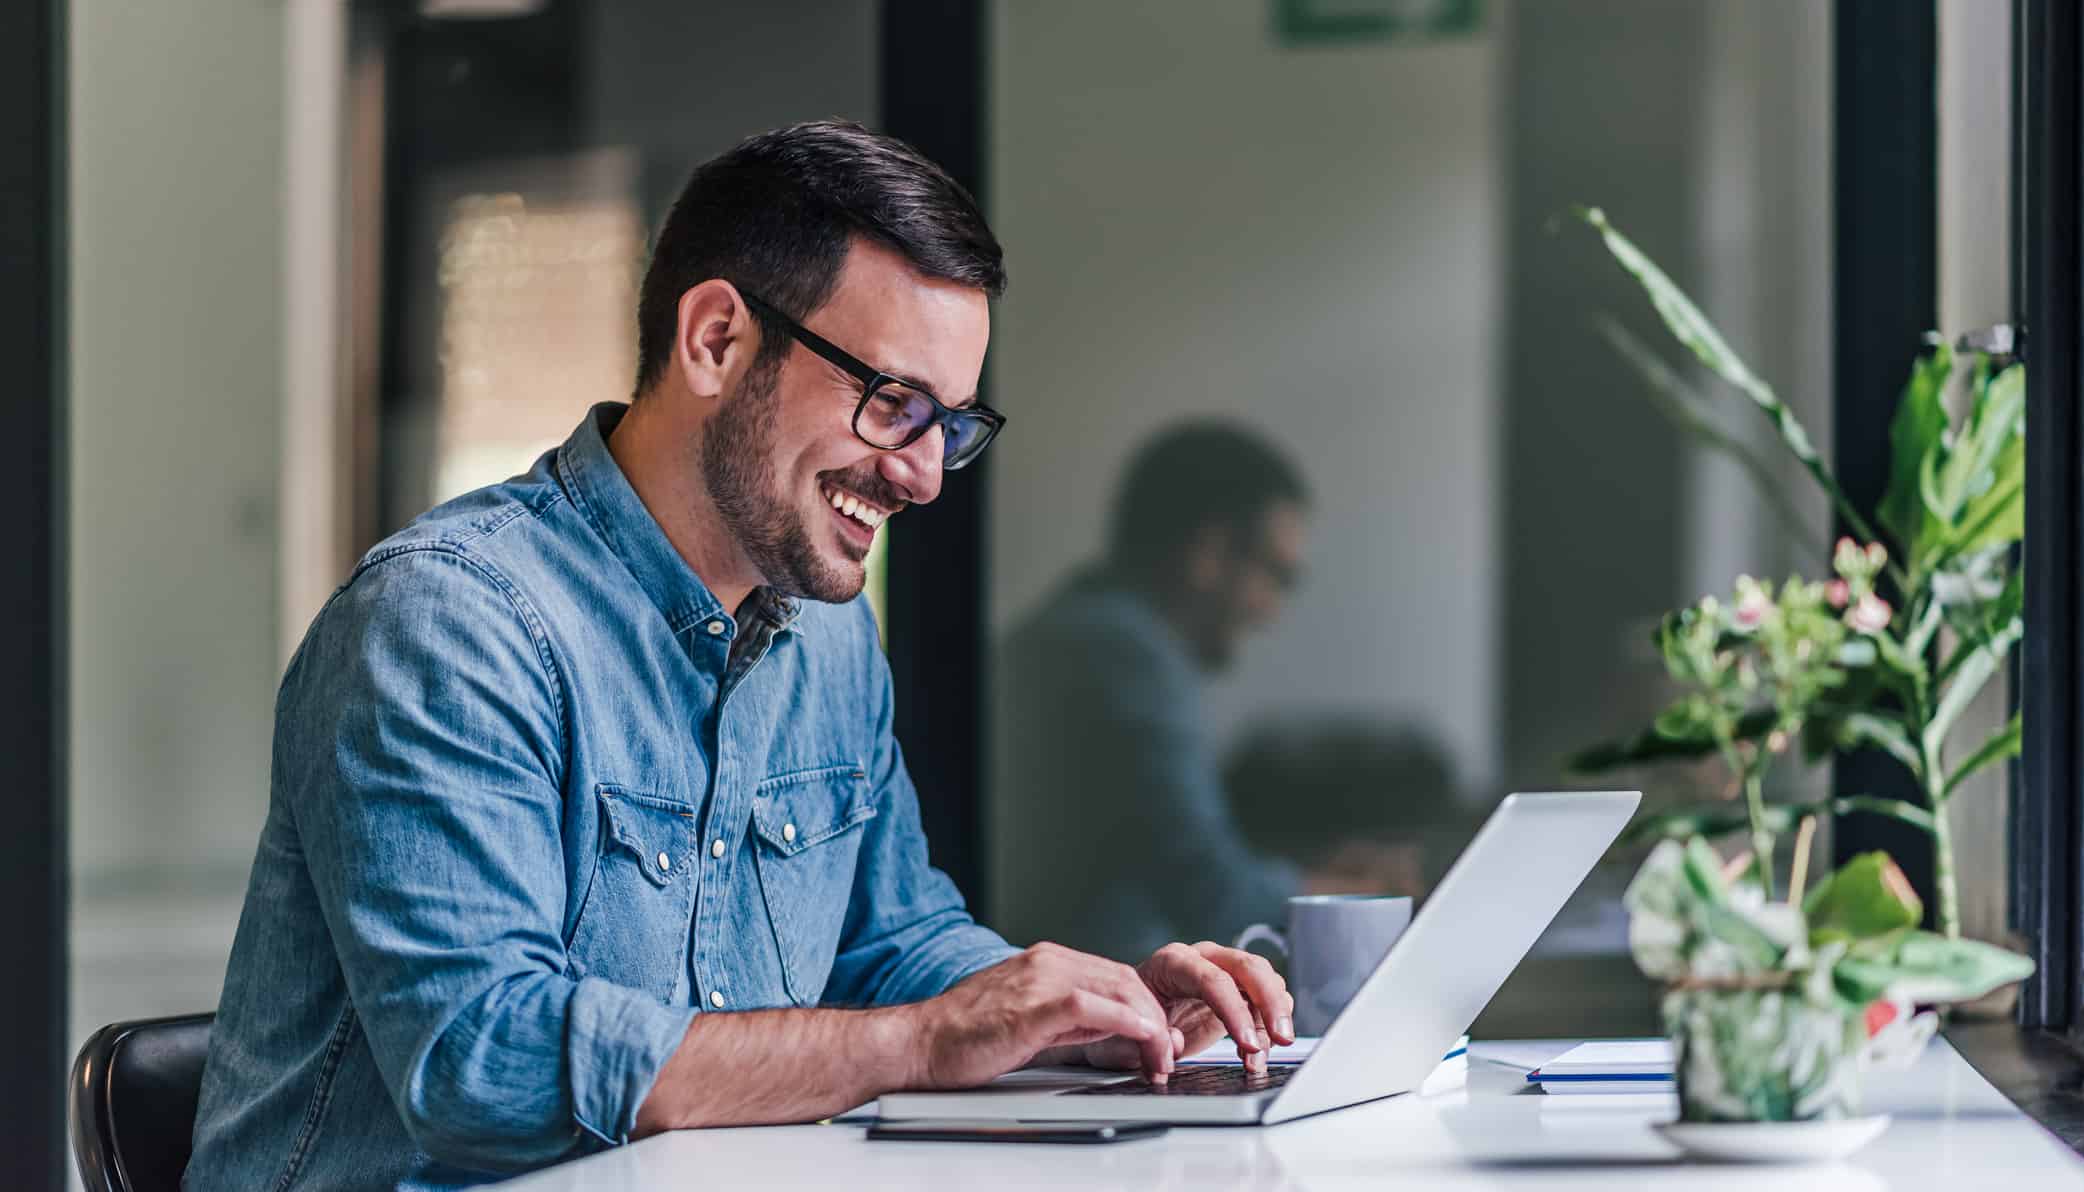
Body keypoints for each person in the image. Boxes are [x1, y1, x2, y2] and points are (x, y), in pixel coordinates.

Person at [187, 121, 1290, 1191]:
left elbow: (889, 941)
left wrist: (1081, 1016)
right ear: (715, 339)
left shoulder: (829, 638)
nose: (924, 475)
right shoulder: (448, 625)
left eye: (949, 423)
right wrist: (920, 1040)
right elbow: (481, 1058)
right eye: (893, 403)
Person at [994, 424, 1410, 962]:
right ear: (1208, 553)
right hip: (1098, 997)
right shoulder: (1124, 657)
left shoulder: (1078, 631)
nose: (1271, 612)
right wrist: (1364, 894)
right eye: (1276, 576)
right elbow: (1213, 894)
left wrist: (1312, 872)